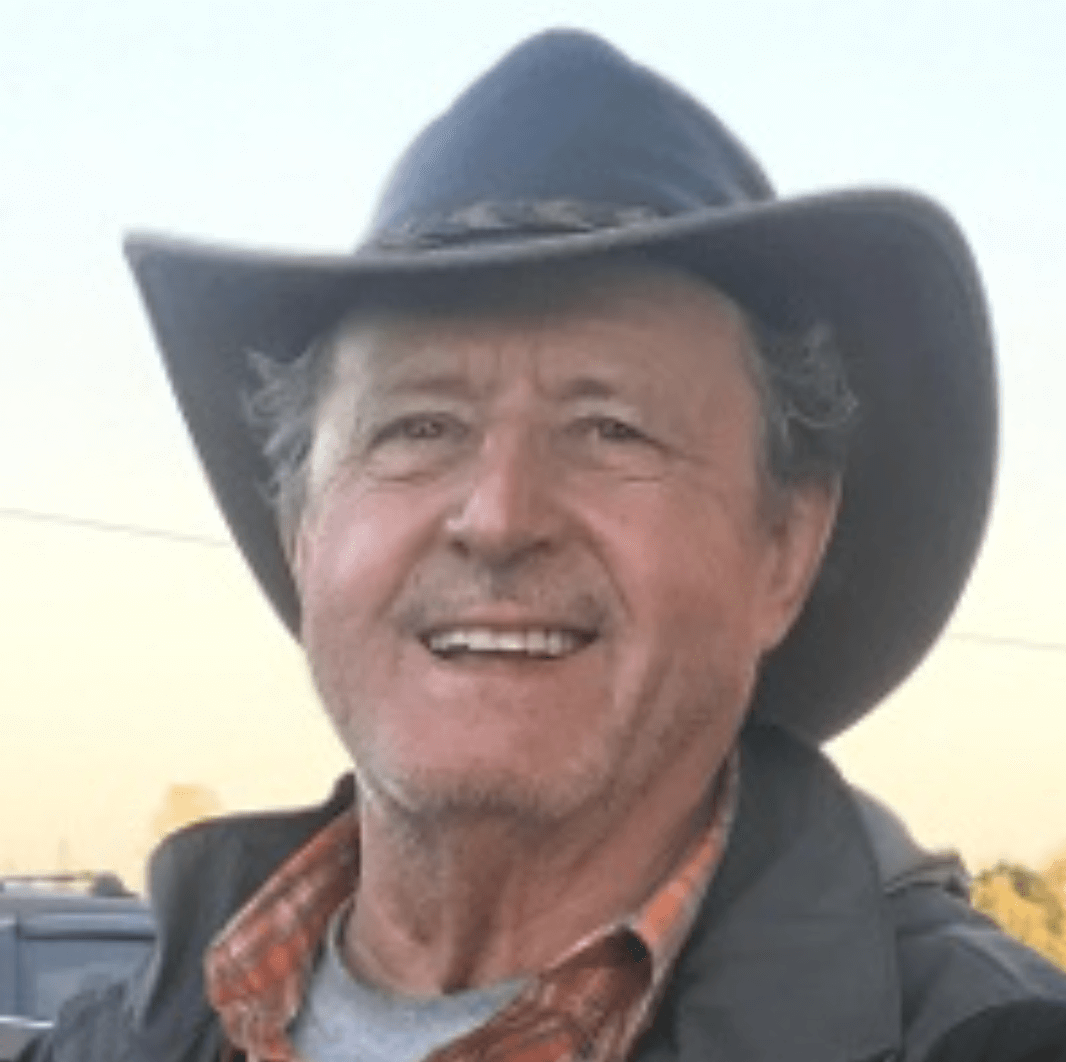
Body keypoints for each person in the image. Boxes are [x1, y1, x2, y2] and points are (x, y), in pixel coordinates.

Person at [22, 29, 1066, 1062]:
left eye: (611, 430)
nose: (499, 516)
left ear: (783, 548)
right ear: (304, 529)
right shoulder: (108, 1044)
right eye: (417, 427)